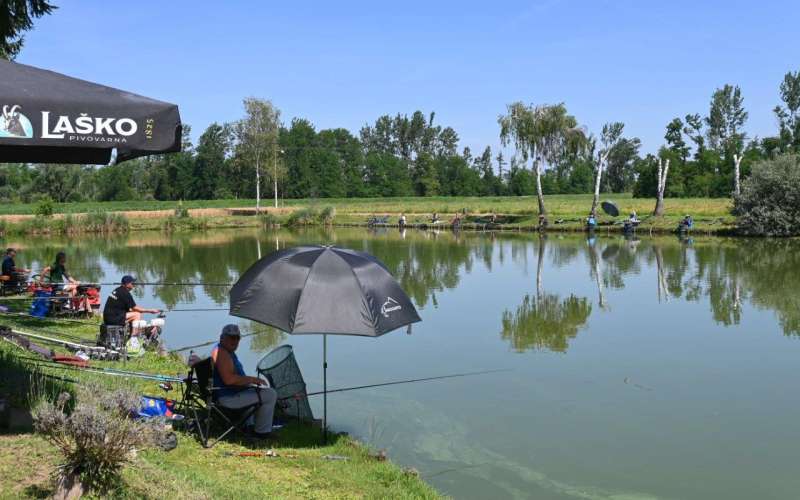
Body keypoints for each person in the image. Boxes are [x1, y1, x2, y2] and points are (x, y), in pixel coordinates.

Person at [212, 324, 278, 438]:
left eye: (237, 338)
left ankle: (249, 426)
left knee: (257, 390)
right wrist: (252, 379)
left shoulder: (225, 351)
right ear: (222, 338)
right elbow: (229, 380)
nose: (235, 340)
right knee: (270, 394)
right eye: (231, 337)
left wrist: (249, 383)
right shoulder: (222, 354)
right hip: (228, 398)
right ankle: (261, 433)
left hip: (232, 393)